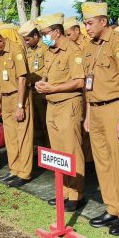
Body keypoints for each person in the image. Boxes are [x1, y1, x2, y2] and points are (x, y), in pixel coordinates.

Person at [81, 2, 119, 235]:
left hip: (114, 108)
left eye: (90, 23)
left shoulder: (118, 42)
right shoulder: (89, 45)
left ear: (103, 21)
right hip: (95, 110)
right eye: (85, 23)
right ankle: (112, 207)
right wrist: (88, 114)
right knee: (103, 163)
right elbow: (88, 83)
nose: (87, 27)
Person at [35, 13, 87, 211]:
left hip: (68, 104)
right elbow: (49, 76)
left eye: (45, 33)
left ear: (56, 32)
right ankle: (64, 191)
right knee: (57, 151)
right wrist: (43, 84)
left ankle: (76, 194)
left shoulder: (72, 51)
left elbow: (79, 81)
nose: (43, 37)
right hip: (52, 104)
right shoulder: (50, 51)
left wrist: (53, 89)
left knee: (71, 149)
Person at [0, 26, 33, 188]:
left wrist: (20, 105)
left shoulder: (16, 50)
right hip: (5, 99)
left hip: (18, 97)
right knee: (11, 137)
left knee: (22, 136)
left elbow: (22, 79)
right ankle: (14, 169)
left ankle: (24, 173)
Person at [21, 20, 49, 148]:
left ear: (36, 36)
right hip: (30, 89)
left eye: (28, 39)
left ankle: (48, 147)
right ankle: (39, 146)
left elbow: (48, 68)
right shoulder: (29, 49)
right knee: (35, 121)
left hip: (41, 90)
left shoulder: (45, 47)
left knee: (44, 121)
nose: (26, 42)